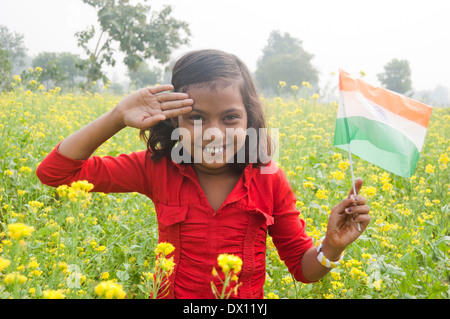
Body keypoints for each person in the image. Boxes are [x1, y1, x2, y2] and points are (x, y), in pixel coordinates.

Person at [36, 49, 370, 299]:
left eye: (229, 119)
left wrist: (332, 246)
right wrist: (116, 116)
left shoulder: (269, 179)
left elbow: (303, 268)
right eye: (195, 118)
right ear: (174, 121)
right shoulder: (156, 168)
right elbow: (56, 173)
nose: (213, 133)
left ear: (249, 120)